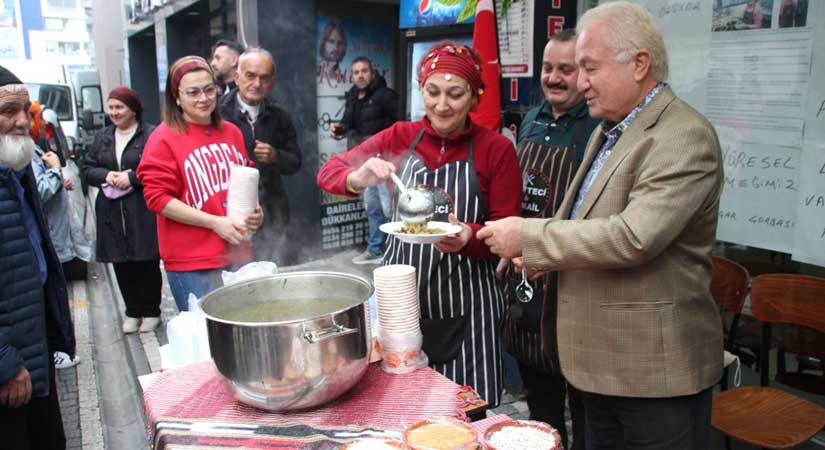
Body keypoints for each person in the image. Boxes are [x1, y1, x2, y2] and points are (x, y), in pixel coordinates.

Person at [478, 3, 724, 449]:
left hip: (652, 376)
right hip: (597, 366)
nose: (580, 82)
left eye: (589, 68)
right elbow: (588, 220)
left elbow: (633, 237)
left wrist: (531, 237)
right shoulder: (608, 129)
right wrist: (540, 256)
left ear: (640, 64)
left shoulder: (682, 136)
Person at [317, 41, 522, 407]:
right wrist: (358, 178)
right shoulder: (400, 136)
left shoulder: (495, 149)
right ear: (421, 89)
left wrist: (468, 237)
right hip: (401, 305)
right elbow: (329, 173)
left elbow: (509, 229)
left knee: (468, 410)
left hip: (470, 306)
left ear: (474, 97)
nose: (442, 105)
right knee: (406, 409)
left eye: (455, 94)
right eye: (433, 92)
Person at [496, 29, 598, 450]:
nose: (554, 78)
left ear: (584, 75)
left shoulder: (595, 127)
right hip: (526, 269)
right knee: (539, 392)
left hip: (571, 273)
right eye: (548, 68)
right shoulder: (532, 119)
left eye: (566, 70)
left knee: (585, 397)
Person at [137, 56, 263, 312]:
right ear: (177, 97)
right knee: (204, 344)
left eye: (209, 90)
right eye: (193, 92)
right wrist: (215, 222)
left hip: (238, 253)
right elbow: (157, 198)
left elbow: (246, 174)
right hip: (193, 262)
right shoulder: (163, 138)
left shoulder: (232, 132)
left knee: (241, 338)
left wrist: (256, 210)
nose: (203, 99)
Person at [0, 64, 76, 450]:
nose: (20, 122)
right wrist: (5, 363)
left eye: (25, 110)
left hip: (33, 349)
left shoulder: (16, 169)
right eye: (8, 110)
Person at [83, 86, 163, 333]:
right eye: (112, 108)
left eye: (120, 107)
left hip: (141, 207)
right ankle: (132, 311)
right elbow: (86, 168)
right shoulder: (103, 137)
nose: (114, 113)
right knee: (121, 261)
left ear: (133, 110)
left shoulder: (150, 135)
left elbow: (158, 167)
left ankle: (151, 311)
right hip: (111, 209)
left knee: (146, 260)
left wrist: (132, 177)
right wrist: (107, 175)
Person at [219, 48, 301, 264]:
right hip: (230, 213)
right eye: (250, 75)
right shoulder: (218, 114)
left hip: (272, 209)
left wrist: (276, 156)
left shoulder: (280, 116)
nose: (257, 83)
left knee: (272, 270)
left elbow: (295, 162)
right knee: (237, 276)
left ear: (272, 83)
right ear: (237, 77)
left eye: (264, 78)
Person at [330, 56, 399, 264]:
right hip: (363, 164)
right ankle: (376, 249)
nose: (360, 75)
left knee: (389, 209)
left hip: (383, 162)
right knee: (372, 207)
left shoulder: (386, 96)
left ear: (372, 73)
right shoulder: (352, 98)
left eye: (364, 71)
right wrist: (338, 131)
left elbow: (400, 127)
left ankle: (396, 251)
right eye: (356, 72)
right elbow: (347, 125)